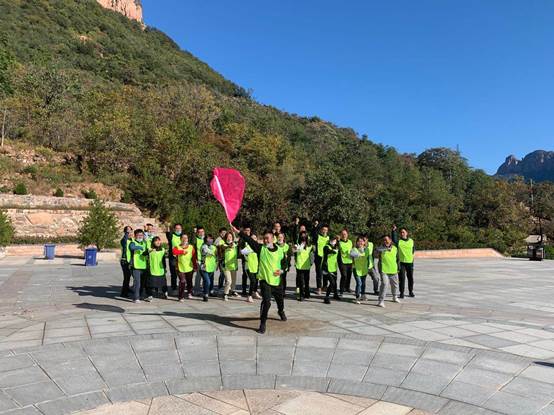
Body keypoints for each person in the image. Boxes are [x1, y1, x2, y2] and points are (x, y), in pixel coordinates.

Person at [234, 225, 287, 334]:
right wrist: (239, 232)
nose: (265, 240)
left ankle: (281, 311)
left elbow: (285, 264)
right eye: (264, 238)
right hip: (264, 280)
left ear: (273, 238)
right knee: (266, 302)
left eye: (267, 238)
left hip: (277, 281)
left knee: (280, 300)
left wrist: (281, 270)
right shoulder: (260, 249)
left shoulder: (280, 251)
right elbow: (249, 240)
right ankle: (262, 323)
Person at [377, 235, 400, 307]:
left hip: (393, 270)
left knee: (395, 285)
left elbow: (398, 259)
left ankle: (394, 296)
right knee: (384, 284)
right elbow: (376, 251)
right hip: (384, 270)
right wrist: (383, 249)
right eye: (384, 240)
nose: (385, 241)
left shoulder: (395, 248)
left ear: (390, 240)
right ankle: (381, 301)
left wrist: (398, 268)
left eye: (386, 240)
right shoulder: (381, 248)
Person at [172, 234, 197, 301]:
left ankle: (189, 292)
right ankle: (181, 296)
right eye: (183, 238)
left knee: (189, 281)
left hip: (189, 267)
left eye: (186, 238)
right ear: (180, 239)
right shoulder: (177, 247)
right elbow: (174, 252)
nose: (185, 239)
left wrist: (195, 266)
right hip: (180, 267)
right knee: (182, 281)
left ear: (188, 239)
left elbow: (194, 257)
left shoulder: (191, 247)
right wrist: (182, 252)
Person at [393, 226, 416, 298]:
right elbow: (394, 239)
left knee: (410, 278)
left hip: (410, 262)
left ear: (407, 233)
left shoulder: (411, 241)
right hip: (401, 263)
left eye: (403, 232)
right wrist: (394, 231)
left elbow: (413, 249)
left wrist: (411, 257)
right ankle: (401, 293)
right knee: (402, 278)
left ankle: (410, 291)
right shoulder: (399, 242)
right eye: (401, 232)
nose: (402, 233)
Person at [129, 229, 149, 303]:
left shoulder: (144, 243)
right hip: (135, 266)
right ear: (135, 236)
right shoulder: (132, 243)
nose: (140, 236)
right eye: (138, 235)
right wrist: (139, 247)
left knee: (142, 283)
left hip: (143, 266)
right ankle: (136, 298)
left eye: (141, 235)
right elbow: (132, 248)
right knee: (137, 283)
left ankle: (140, 295)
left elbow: (146, 252)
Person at [146, 236, 168, 301]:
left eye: (159, 240)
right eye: (156, 241)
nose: (158, 242)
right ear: (153, 242)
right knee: (150, 283)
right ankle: (150, 295)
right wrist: (149, 251)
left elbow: (163, 260)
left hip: (161, 269)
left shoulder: (163, 249)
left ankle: (165, 293)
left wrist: (165, 268)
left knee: (163, 283)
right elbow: (144, 254)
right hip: (152, 269)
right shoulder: (150, 249)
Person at [240, 234, 260, 303]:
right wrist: (250, 250)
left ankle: (254, 292)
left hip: (256, 266)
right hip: (249, 266)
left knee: (256, 280)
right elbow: (242, 252)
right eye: (252, 238)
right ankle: (249, 296)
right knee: (253, 281)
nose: (254, 239)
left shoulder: (257, 246)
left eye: (255, 238)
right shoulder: (247, 246)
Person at [294, 231, 314, 301]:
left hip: (307, 266)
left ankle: (307, 293)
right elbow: (294, 251)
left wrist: (311, 262)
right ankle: (301, 295)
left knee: (306, 281)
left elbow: (312, 255)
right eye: (302, 236)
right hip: (299, 266)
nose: (303, 237)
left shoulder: (310, 246)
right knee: (301, 282)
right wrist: (298, 248)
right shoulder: (297, 245)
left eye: (304, 236)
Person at [312, 221, 330, 295]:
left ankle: (325, 286)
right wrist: (315, 226)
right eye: (323, 230)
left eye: (326, 230)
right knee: (319, 273)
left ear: (327, 231)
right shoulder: (318, 236)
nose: (324, 231)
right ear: (321, 230)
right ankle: (319, 288)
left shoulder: (329, 238)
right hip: (318, 257)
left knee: (325, 273)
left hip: (326, 258)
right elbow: (314, 234)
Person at [220, 231, 239, 301]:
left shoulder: (235, 244)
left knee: (234, 281)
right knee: (229, 281)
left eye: (230, 237)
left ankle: (232, 291)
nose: (229, 238)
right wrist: (229, 245)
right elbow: (224, 247)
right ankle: (225, 294)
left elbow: (237, 241)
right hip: (226, 266)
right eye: (228, 237)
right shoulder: (224, 244)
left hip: (234, 265)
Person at [350, 236, 369, 304]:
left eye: (362, 241)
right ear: (356, 242)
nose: (360, 242)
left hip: (364, 269)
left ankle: (363, 294)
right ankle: (357, 297)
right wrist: (359, 253)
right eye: (359, 241)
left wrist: (368, 267)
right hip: (356, 269)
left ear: (364, 242)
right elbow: (352, 254)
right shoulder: (354, 249)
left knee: (363, 283)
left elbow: (368, 258)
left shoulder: (367, 249)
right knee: (359, 283)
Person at [166, 224, 183, 295]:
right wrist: (168, 227)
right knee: (174, 274)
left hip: (182, 257)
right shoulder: (172, 236)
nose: (178, 230)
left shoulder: (183, 236)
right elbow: (168, 234)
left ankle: (182, 288)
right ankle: (174, 288)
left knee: (182, 274)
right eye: (177, 228)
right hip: (173, 258)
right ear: (174, 229)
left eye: (179, 228)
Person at [323, 235, 340, 304]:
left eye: (334, 240)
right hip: (326, 268)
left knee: (335, 283)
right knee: (332, 282)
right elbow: (328, 251)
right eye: (332, 240)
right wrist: (333, 251)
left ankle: (335, 294)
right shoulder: (326, 247)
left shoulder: (337, 247)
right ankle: (326, 297)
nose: (333, 241)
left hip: (334, 267)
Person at [200, 234, 218, 301]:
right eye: (208, 238)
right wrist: (214, 252)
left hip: (211, 266)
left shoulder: (213, 246)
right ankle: (206, 294)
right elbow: (207, 251)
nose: (210, 240)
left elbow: (216, 255)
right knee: (207, 281)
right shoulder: (203, 246)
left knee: (210, 281)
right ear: (205, 239)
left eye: (211, 238)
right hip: (204, 267)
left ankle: (209, 292)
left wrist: (217, 264)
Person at [338, 229, 353, 295]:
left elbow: (351, 250)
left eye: (345, 234)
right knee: (344, 275)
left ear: (347, 234)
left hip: (350, 261)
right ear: (340, 235)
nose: (344, 235)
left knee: (349, 275)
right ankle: (341, 289)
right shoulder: (339, 242)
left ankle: (347, 287)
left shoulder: (350, 242)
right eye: (342, 234)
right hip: (342, 261)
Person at [238, 226, 252, 296]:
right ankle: (244, 290)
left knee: (252, 275)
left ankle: (252, 290)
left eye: (248, 230)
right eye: (246, 230)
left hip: (252, 260)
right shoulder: (242, 239)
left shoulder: (252, 238)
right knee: (245, 274)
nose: (247, 231)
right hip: (245, 259)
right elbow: (240, 248)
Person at [192, 226, 206, 295]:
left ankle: (205, 289)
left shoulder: (206, 239)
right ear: (197, 233)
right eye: (199, 232)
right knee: (199, 275)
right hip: (199, 261)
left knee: (206, 276)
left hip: (206, 261)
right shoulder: (196, 240)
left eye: (202, 232)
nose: (201, 233)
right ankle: (196, 290)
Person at [120, 226, 133, 298]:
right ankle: (123, 293)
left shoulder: (131, 240)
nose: (129, 232)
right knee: (126, 277)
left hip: (129, 261)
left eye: (130, 230)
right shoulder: (124, 240)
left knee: (128, 276)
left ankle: (127, 289)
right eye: (128, 231)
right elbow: (125, 241)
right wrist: (127, 233)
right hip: (124, 261)